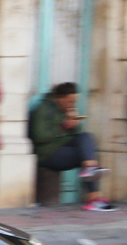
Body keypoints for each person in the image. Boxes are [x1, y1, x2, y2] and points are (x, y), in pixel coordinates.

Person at [28, 82, 117, 211]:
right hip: (46, 153)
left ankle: (94, 190)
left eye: (74, 102)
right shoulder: (43, 108)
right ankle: (94, 197)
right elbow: (39, 136)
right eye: (69, 101)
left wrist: (74, 125)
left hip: (61, 147)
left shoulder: (65, 110)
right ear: (59, 98)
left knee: (86, 138)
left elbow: (75, 135)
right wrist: (63, 126)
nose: (72, 105)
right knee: (86, 157)